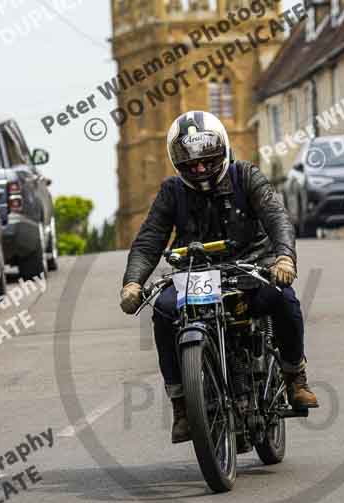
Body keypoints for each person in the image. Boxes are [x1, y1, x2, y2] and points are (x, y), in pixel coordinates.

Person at [120, 111, 318, 443]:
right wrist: (133, 282)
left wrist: (284, 257)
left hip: (252, 267)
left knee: (283, 298)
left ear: (222, 150)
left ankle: (294, 376)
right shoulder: (171, 192)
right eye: (190, 163)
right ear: (176, 162)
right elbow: (149, 240)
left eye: (206, 160)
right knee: (165, 311)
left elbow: (276, 215)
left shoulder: (246, 176)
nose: (198, 169)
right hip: (195, 274)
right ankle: (182, 404)